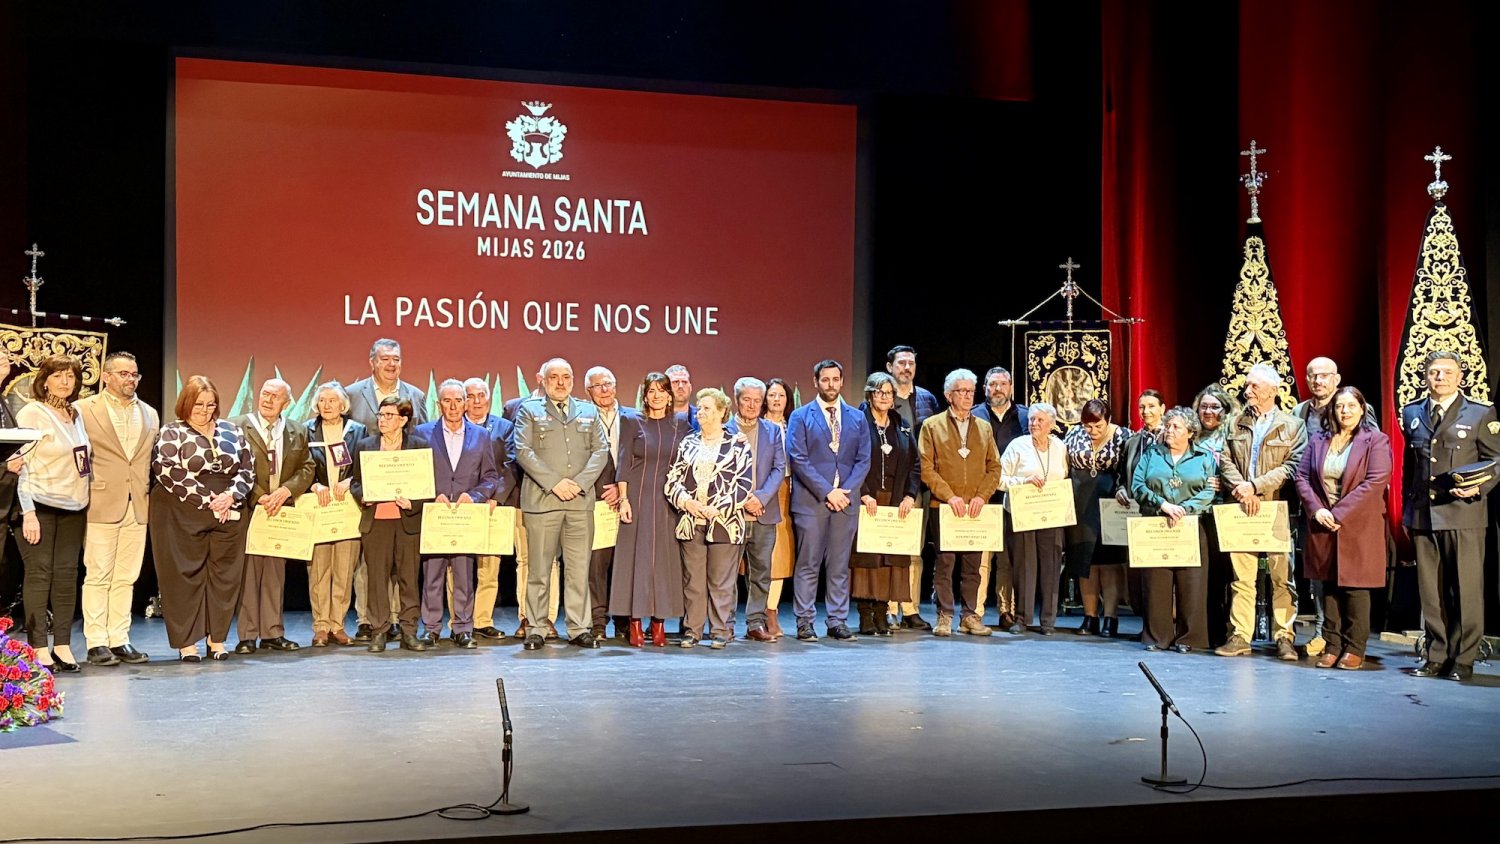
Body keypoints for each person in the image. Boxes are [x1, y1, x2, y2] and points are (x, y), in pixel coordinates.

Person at [1402, 350, 1498, 682]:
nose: (1439, 377)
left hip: (1463, 515)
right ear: (1425, 377)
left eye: (1446, 372)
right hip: (1423, 516)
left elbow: (1496, 461)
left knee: (1467, 590)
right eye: (1434, 372)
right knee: (1431, 593)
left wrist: (1477, 488)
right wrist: (1407, 512)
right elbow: (1410, 469)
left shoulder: (1480, 413)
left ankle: (1465, 658)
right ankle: (1437, 655)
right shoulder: (1412, 412)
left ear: (1460, 377)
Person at [149, 376, 254, 662]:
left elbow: (248, 468)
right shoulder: (171, 432)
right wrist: (208, 499)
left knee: (225, 577)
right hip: (182, 512)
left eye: (210, 405)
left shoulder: (232, 430)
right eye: (198, 405)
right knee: (184, 576)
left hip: (228, 512)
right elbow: (167, 470)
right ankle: (187, 643)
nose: (204, 411)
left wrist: (230, 496)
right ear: (186, 404)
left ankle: (216, 639)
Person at [512, 358, 611, 650]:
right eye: (553, 376)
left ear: (572, 380)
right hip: (543, 501)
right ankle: (536, 627)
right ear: (543, 380)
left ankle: (579, 628)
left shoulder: (588, 411)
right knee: (540, 570)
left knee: (579, 570)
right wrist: (554, 483)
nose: (560, 382)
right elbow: (523, 450)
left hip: (579, 502)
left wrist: (579, 484)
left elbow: (601, 451)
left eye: (566, 376)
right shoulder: (529, 410)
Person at [1215, 362, 1307, 660]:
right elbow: (1224, 459)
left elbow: (1292, 466)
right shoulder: (1234, 422)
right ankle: (1240, 636)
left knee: (1282, 578)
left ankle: (1284, 637)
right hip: (1241, 507)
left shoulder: (1293, 425)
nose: (1248, 390)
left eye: (1254, 385)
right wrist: (1242, 488)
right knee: (1242, 579)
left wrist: (1255, 486)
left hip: (1276, 509)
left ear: (1273, 390)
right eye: (1247, 385)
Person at [1295, 386, 1391, 670]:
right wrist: (1317, 509)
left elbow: (1375, 481)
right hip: (1322, 522)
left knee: (1354, 588)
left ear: (1362, 409)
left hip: (1358, 523)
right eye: (1339, 406)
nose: (1345, 411)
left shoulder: (1376, 440)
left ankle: (1354, 647)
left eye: (1351, 406)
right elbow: (1301, 477)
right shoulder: (1318, 439)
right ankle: (1332, 645)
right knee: (1327, 586)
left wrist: (1338, 513)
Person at [76, 351, 159, 666]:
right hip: (101, 502)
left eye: (134, 374)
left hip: (137, 504)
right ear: (106, 376)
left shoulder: (149, 413)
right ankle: (96, 642)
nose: (130, 379)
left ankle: (119, 639)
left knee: (126, 576)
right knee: (98, 574)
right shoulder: (84, 409)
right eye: (124, 373)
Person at [347, 338, 427, 643]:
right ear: (372, 362)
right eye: (380, 416)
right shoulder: (366, 445)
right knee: (376, 579)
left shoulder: (417, 445)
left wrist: (413, 502)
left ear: (404, 420)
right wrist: (363, 496)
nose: (382, 420)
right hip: (376, 520)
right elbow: (355, 482)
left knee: (408, 579)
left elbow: (425, 483)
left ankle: (409, 631)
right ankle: (379, 630)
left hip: (406, 521)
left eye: (389, 416)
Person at [14, 354, 91, 671]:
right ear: (44, 380)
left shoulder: (76, 414)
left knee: (67, 576)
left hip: (74, 506)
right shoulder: (32, 412)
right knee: (39, 574)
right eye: (58, 376)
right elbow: (21, 464)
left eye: (70, 376)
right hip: (40, 504)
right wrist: (28, 512)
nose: (64, 382)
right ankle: (38, 647)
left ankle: (62, 644)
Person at [413, 379, 501, 649]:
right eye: (447, 401)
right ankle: (431, 628)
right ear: (439, 404)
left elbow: (490, 476)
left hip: (465, 515)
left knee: (464, 574)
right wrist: (431, 495)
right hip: (436, 514)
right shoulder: (422, 433)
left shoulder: (481, 435)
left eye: (458, 400)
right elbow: (416, 473)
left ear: (466, 403)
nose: (453, 406)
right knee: (432, 575)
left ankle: (463, 627)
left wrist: (474, 496)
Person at [787, 359, 871, 641]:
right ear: (816, 382)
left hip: (845, 503)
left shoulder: (857, 417)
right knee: (808, 564)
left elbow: (863, 460)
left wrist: (845, 491)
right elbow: (798, 458)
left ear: (842, 381)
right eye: (825, 379)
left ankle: (837, 620)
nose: (831, 384)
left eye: (835, 379)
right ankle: (804, 621)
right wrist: (827, 492)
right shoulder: (800, 416)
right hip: (812, 502)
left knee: (839, 566)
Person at [231, 379, 316, 654]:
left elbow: (307, 468)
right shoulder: (236, 426)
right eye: (264, 393)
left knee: (275, 574)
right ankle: (247, 635)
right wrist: (259, 496)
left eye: (274, 396)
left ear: (286, 403)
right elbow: (231, 467)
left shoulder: (297, 430)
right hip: (250, 508)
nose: (267, 400)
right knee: (249, 573)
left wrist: (285, 491)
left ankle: (272, 633)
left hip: (281, 510)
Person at [667, 388, 753, 648]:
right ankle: (692, 630)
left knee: (721, 582)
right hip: (692, 521)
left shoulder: (737, 444)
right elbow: (672, 480)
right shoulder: (688, 443)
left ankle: (720, 631)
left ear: (721, 412)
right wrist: (686, 502)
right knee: (693, 581)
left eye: (706, 408)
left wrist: (718, 508)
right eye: (700, 408)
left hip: (724, 523)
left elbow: (744, 484)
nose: (700, 412)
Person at [609, 372, 690, 646]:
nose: (656, 396)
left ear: (670, 395)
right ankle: (634, 621)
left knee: (664, 562)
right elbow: (623, 462)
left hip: (668, 501)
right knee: (637, 560)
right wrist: (624, 499)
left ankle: (659, 622)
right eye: (651, 391)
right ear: (644, 395)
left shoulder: (681, 424)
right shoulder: (631, 420)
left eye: (661, 391)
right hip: (638, 498)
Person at [919, 368, 1000, 637]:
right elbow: (926, 467)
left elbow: (994, 468)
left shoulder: (984, 427)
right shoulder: (932, 426)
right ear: (948, 395)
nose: (967, 396)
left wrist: (981, 496)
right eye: (961, 391)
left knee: (973, 567)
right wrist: (949, 496)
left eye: (970, 391)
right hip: (944, 507)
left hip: (975, 508)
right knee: (944, 564)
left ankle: (969, 617)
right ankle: (944, 616)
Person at [1131, 407, 1216, 652]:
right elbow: (1137, 484)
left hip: (1190, 524)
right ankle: (1157, 637)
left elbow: (1210, 490)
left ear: (1190, 432)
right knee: (1156, 583)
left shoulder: (1204, 457)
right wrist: (1163, 504)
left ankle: (1189, 638)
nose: (1169, 430)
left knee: (1191, 584)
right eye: (1168, 426)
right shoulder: (1152, 454)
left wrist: (1185, 508)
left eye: (1176, 427)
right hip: (1156, 522)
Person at [852, 372, 918, 635]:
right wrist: (864, 493)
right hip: (868, 500)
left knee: (890, 560)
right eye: (878, 392)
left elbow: (914, 464)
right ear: (870, 395)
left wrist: (910, 495)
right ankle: (865, 615)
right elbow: (849, 460)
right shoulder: (858, 422)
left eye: (888, 393)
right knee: (867, 560)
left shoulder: (902, 426)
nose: (884, 397)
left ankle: (882, 613)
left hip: (895, 500)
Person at [303, 380, 366, 647]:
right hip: (318, 507)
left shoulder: (357, 431)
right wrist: (313, 485)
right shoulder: (306, 430)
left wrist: (350, 482)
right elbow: (299, 466)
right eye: (322, 400)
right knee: (319, 571)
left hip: (347, 509)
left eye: (332, 401)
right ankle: (320, 626)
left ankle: (337, 625)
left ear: (343, 405)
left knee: (343, 569)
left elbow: (365, 465)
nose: (326, 405)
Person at [454, 377, 517, 641]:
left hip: (492, 505)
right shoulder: (454, 426)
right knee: (456, 566)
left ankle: (482, 620)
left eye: (482, 395)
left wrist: (496, 497)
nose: (477, 401)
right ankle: (458, 621)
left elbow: (511, 464)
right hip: (460, 504)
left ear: (489, 399)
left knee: (489, 566)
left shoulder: (504, 427)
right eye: (470, 396)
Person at [883, 345, 941, 633]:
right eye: (901, 363)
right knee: (890, 546)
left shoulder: (928, 399)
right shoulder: (881, 397)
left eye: (911, 363)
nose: (907, 368)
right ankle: (889, 608)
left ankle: (910, 608)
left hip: (920, 485)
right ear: (889, 367)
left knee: (914, 550)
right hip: (890, 483)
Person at [1063, 398, 1130, 637]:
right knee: (1086, 564)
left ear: (1108, 420)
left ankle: (1110, 618)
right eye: (1088, 426)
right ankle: (1090, 616)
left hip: (1110, 502)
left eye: (1098, 426)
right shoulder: (1073, 434)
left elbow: (1128, 469)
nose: (1092, 431)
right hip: (1081, 503)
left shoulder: (1123, 436)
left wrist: (1123, 489)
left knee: (1110, 563)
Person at [1000, 402, 1069, 634]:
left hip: (1051, 515)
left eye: (1040, 420)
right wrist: (1023, 482)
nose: (1034, 424)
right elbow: (999, 479)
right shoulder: (1017, 446)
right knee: (1024, 567)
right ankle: (1022, 618)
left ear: (1052, 424)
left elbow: (1064, 476)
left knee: (1051, 567)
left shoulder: (1059, 447)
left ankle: (1048, 621)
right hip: (1022, 514)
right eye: (1031, 419)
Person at [727, 377, 787, 642]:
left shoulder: (772, 431)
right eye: (746, 400)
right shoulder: (723, 430)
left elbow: (779, 468)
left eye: (756, 400)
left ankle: (755, 623)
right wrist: (743, 500)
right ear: (736, 400)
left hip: (764, 513)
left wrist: (760, 498)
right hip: (731, 514)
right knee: (727, 574)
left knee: (761, 573)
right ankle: (725, 623)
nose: (751, 405)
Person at [583, 366, 640, 640]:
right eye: (597, 385)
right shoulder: (581, 419)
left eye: (608, 383)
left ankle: (623, 619)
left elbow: (641, 459)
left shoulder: (634, 418)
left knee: (625, 562)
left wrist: (622, 488)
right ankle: (597, 620)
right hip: (596, 501)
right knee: (596, 565)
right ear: (588, 391)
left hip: (627, 500)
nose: (604, 390)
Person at [971, 366, 1028, 630]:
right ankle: (976, 611)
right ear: (985, 388)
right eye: (992, 384)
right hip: (982, 496)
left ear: (1011, 387)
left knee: (1007, 558)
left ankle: (1007, 610)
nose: (998, 389)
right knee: (982, 559)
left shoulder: (1026, 417)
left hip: (1013, 498)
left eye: (1003, 384)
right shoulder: (974, 415)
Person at [1192, 382, 1238, 647]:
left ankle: (1227, 631)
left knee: (1224, 575)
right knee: (1203, 575)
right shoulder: (1191, 435)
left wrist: (1226, 482)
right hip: (1198, 513)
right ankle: (1205, 630)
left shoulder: (1232, 435)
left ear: (1226, 409)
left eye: (1214, 407)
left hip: (1226, 511)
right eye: (1203, 407)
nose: (1208, 412)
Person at [761, 378, 796, 638]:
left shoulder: (794, 426)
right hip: (760, 492)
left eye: (781, 395)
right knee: (758, 556)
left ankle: (771, 611)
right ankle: (756, 612)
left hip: (786, 493)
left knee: (780, 557)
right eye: (772, 395)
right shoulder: (756, 426)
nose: (776, 400)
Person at [666, 363, 698, 429]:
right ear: (666, 388)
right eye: (675, 382)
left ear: (690, 388)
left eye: (684, 382)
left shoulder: (702, 417)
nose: (680, 386)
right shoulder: (655, 417)